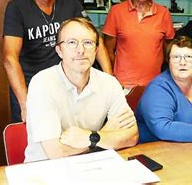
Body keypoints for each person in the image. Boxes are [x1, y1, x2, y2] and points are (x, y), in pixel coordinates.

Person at [3, 0, 112, 123]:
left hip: (66, 86)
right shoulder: (17, 7)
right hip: (31, 88)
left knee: (71, 137)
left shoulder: (70, 2)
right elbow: (10, 58)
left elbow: (95, 39)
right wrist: (25, 103)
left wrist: (109, 82)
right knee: (34, 143)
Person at [24, 18, 138, 163]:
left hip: (92, 165)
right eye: (72, 43)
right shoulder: (42, 83)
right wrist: (99, 136)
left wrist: (88, 137)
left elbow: (132, 136)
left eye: (88, 43)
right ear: (59, 50)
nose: (80, 50)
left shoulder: (109, 83)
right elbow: (56, 152)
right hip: (44, 170)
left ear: (96, 50)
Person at [103, 0, 175, 89]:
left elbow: (169, 52)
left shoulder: (164, 14)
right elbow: (108, 51)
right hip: (123, 86)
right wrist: (112, 80)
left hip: (155, 86)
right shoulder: (116, 11)